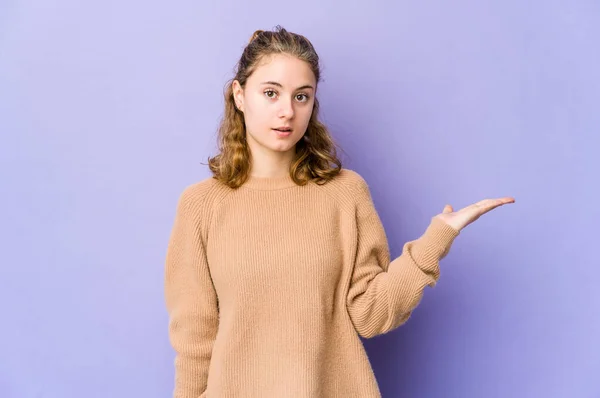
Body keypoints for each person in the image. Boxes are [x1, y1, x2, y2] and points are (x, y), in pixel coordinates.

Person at [164, 25, 515, 398]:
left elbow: (371, 313)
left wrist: (436, 240)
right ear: (239, 95)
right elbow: (194, 340)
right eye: (271, 93)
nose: (287, 111)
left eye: (302, 97)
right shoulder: (201, 205)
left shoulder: (345, 193)